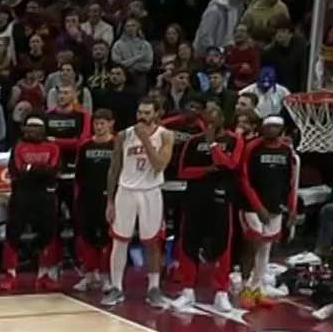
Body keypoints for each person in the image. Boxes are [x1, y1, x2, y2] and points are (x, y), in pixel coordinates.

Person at [168, 102, 244, 315]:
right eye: (207, 120)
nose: (210, 124)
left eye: (214, 119)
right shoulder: (193, 141)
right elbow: (183, 171)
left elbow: (230, 165)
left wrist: (213, 146)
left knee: (223, 247)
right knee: (188, 244)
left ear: (222, 120)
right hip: (195, 199)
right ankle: (187, 290)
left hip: (221, 199)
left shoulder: (234, 140)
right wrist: (208, 169)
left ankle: (221, 292)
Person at [106, 99, 175, 307]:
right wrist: (110, 200)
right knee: (119, 241)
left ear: (157, 114)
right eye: (140, 112)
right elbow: (114, 168)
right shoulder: (123, 135)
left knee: (152, 242)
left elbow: (159, 165)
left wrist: (145, 139)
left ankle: (153, 288)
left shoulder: (166, 135)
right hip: (125, 191)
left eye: (147, 112)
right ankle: (116, 287)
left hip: (151, 192)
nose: (142, 117)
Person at [237, 115, 298, 303]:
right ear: (263, 128)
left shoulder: (287, 151)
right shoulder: (252, 148)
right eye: (269, 126)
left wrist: (291, 208)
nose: (272, 130)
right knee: (252, 244)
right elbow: (244, 178)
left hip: (275, 206)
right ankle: (244, 287)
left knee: (266, 248)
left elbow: (291, 182)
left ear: (281, 129)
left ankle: (256, 288)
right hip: (251, 206)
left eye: (276, 127)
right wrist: (258, 207)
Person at [4, 117, 64, 288]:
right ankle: (10, 274)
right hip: (21, 193)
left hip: (45, 194)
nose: (31, 131)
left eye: (35, 127)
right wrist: (40, 170)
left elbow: (53, 172)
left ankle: (44, 274)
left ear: (43, 129)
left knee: (48, 231)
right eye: (28, 127)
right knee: (13, 232)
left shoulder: (53, 147)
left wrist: (30, 168)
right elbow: (17, 171)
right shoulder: (18, 147)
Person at [70, 110, 118, 295]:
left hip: (109, 198)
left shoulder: (116, 145)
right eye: (96, 123)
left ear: (111, 124)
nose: (98, 127)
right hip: (87, 197)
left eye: (102, 123)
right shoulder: (85, 146)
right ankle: (90, 274)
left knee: (107, 237)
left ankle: (106, 277)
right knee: (87, 236)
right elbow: (79, 174)